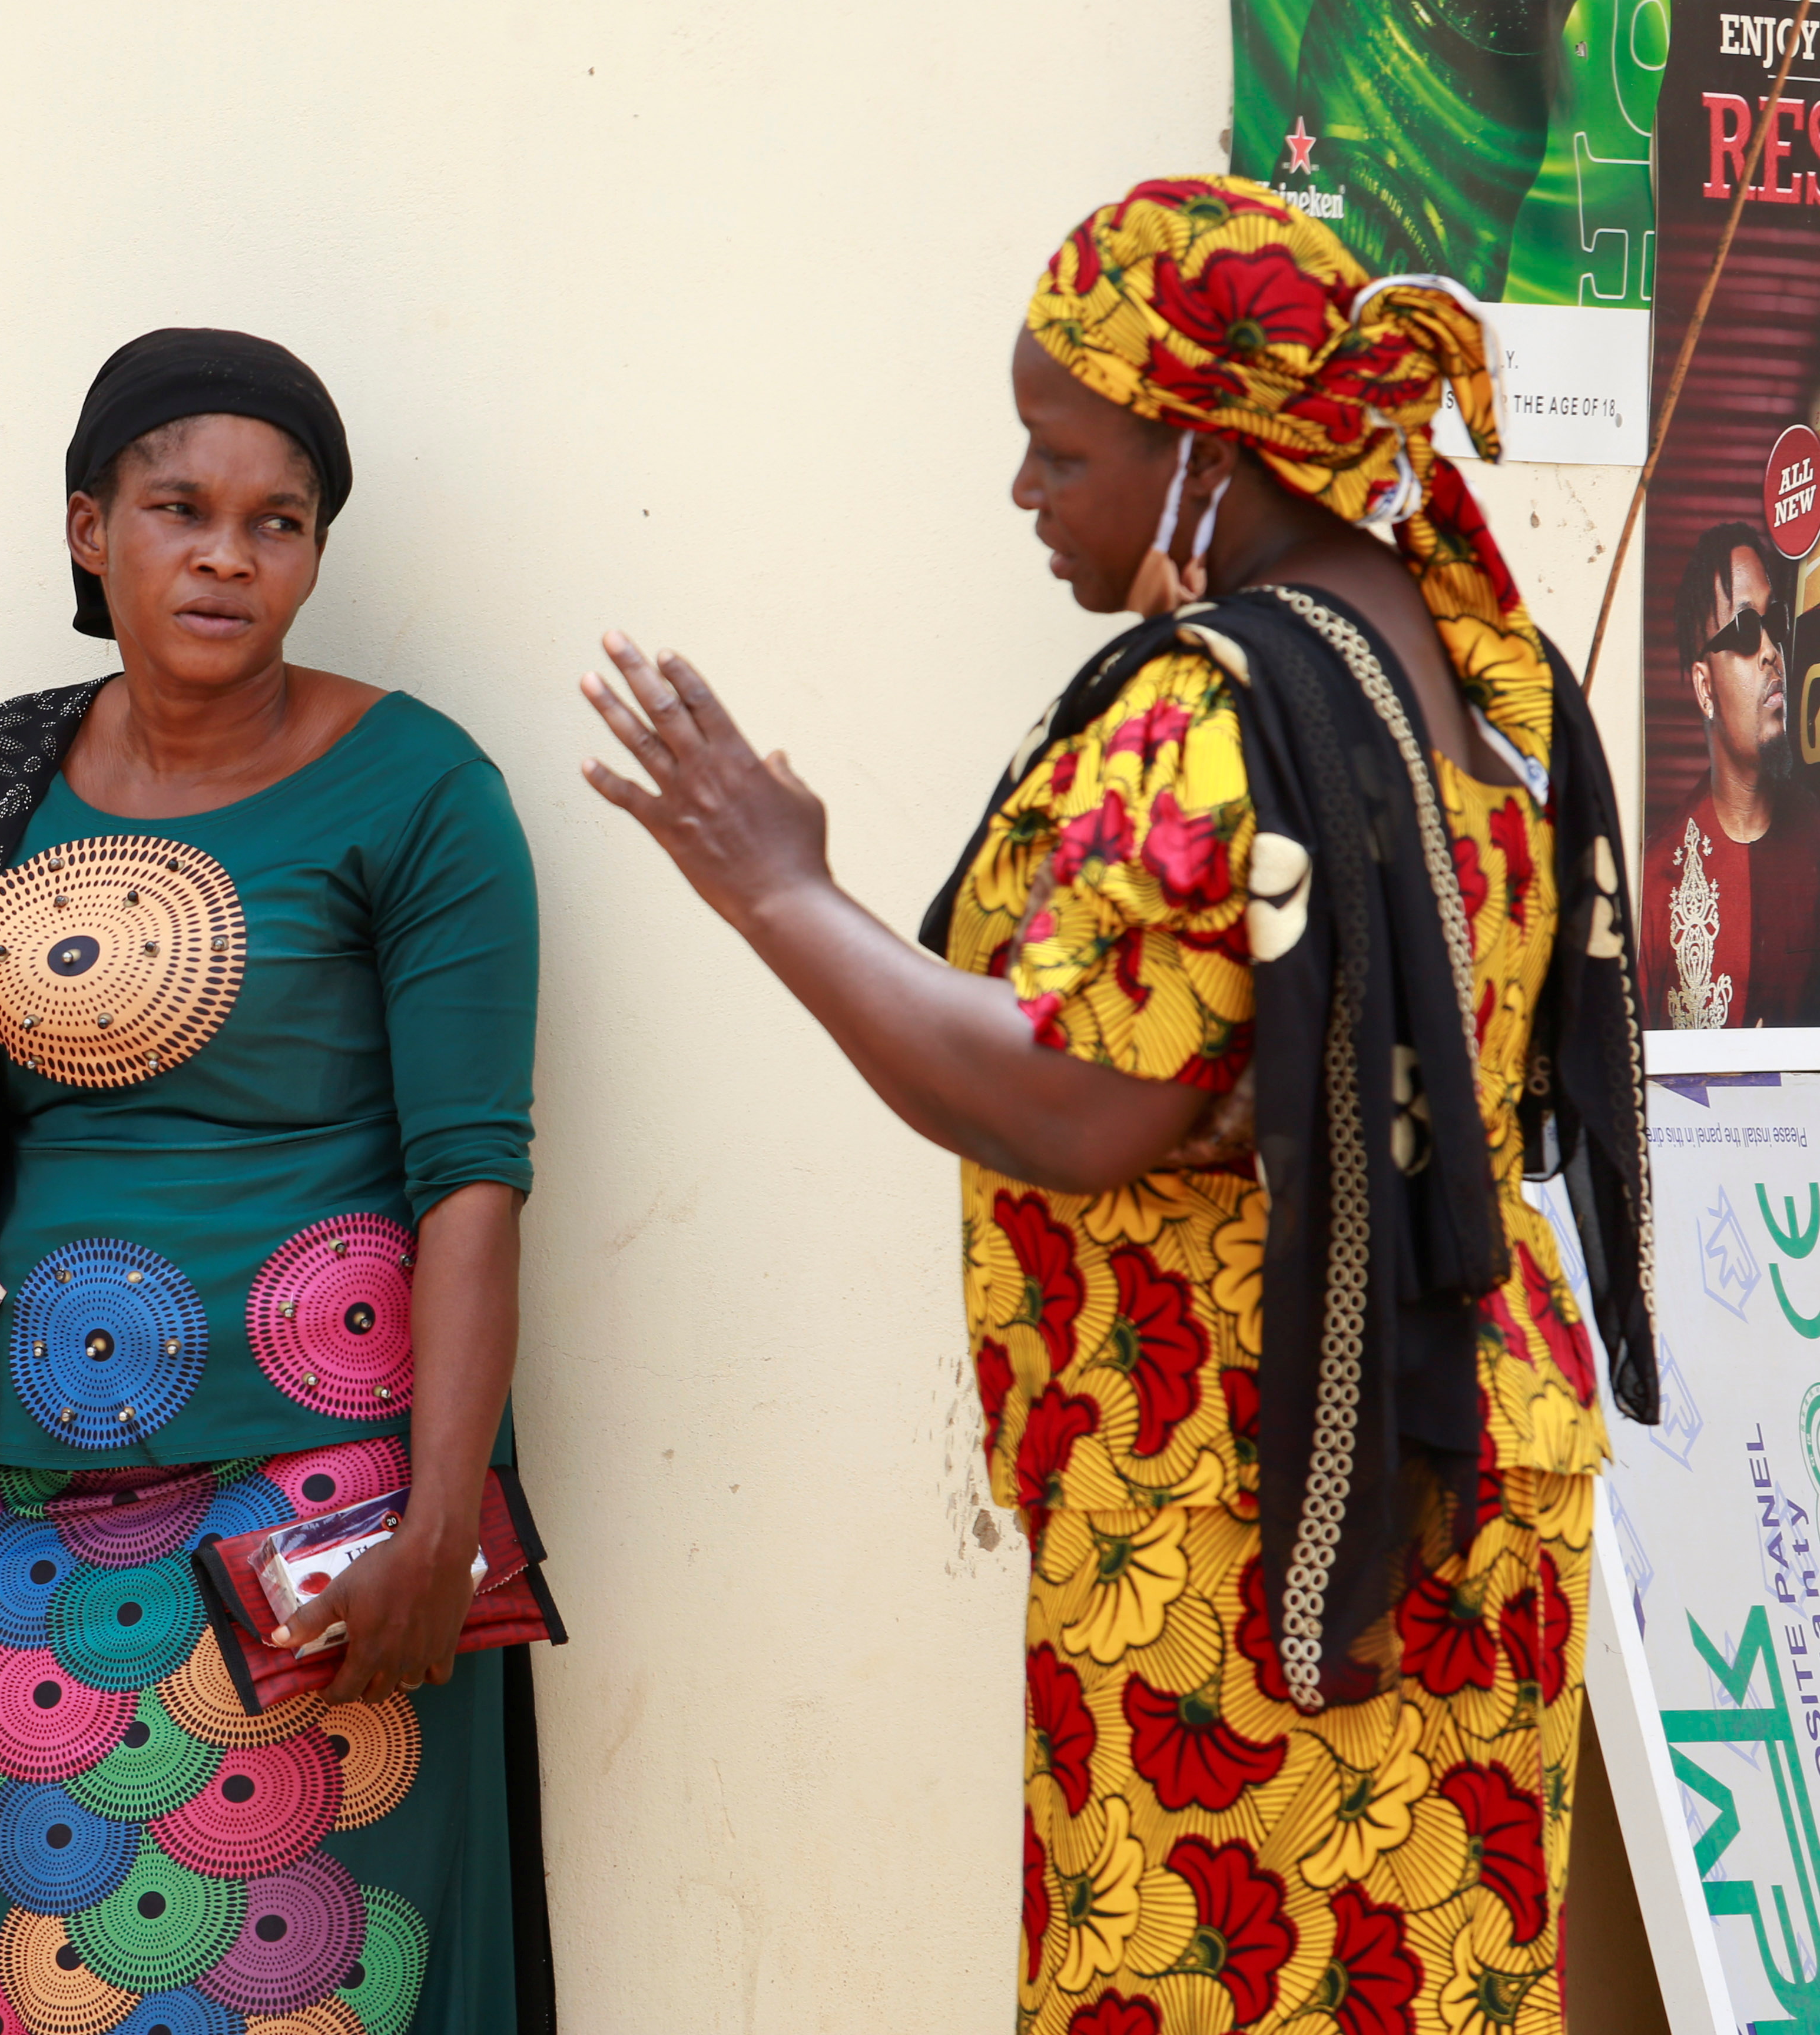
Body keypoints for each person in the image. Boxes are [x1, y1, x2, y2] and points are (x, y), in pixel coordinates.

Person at [576, 179, 1650, 2030]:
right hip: (1477, 1451)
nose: (1027, 492)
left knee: (1197, 1981)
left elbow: (1080, 1106)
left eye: (1063, 451)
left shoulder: (1213, 713)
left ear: (1206, 454)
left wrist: (780, 891)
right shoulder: (1494, 676)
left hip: (1252, 1489)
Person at [0, 330, 552, 2033]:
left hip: (332, 1520)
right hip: (36, 1527)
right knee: (70, 1975)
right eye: (179, 509)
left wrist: (440, 1523)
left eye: (278, 522)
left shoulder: (420, 789)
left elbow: (472, 1184)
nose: (228, 555)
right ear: (90, 529)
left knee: (328, 1975)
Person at [1639, 520, 1820, 1028]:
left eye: (1773, 622)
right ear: (1705, 689)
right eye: (1743, 631)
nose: (1771, 651)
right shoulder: (1656, 881)